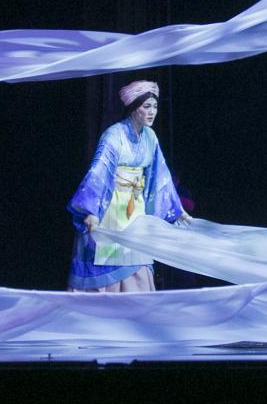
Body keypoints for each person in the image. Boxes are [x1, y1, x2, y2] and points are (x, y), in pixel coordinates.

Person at [67, 80, 190, 292]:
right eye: (146, 106)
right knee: (110, 258)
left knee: (138, 259)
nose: (152, 112)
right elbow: (99, 170)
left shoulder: (150, 137)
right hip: (112, 207)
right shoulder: (114, 135)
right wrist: (91, 210)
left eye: (155, 106)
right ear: (134, 108)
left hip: (136, 208)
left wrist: (176, 210)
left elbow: (160, 174)